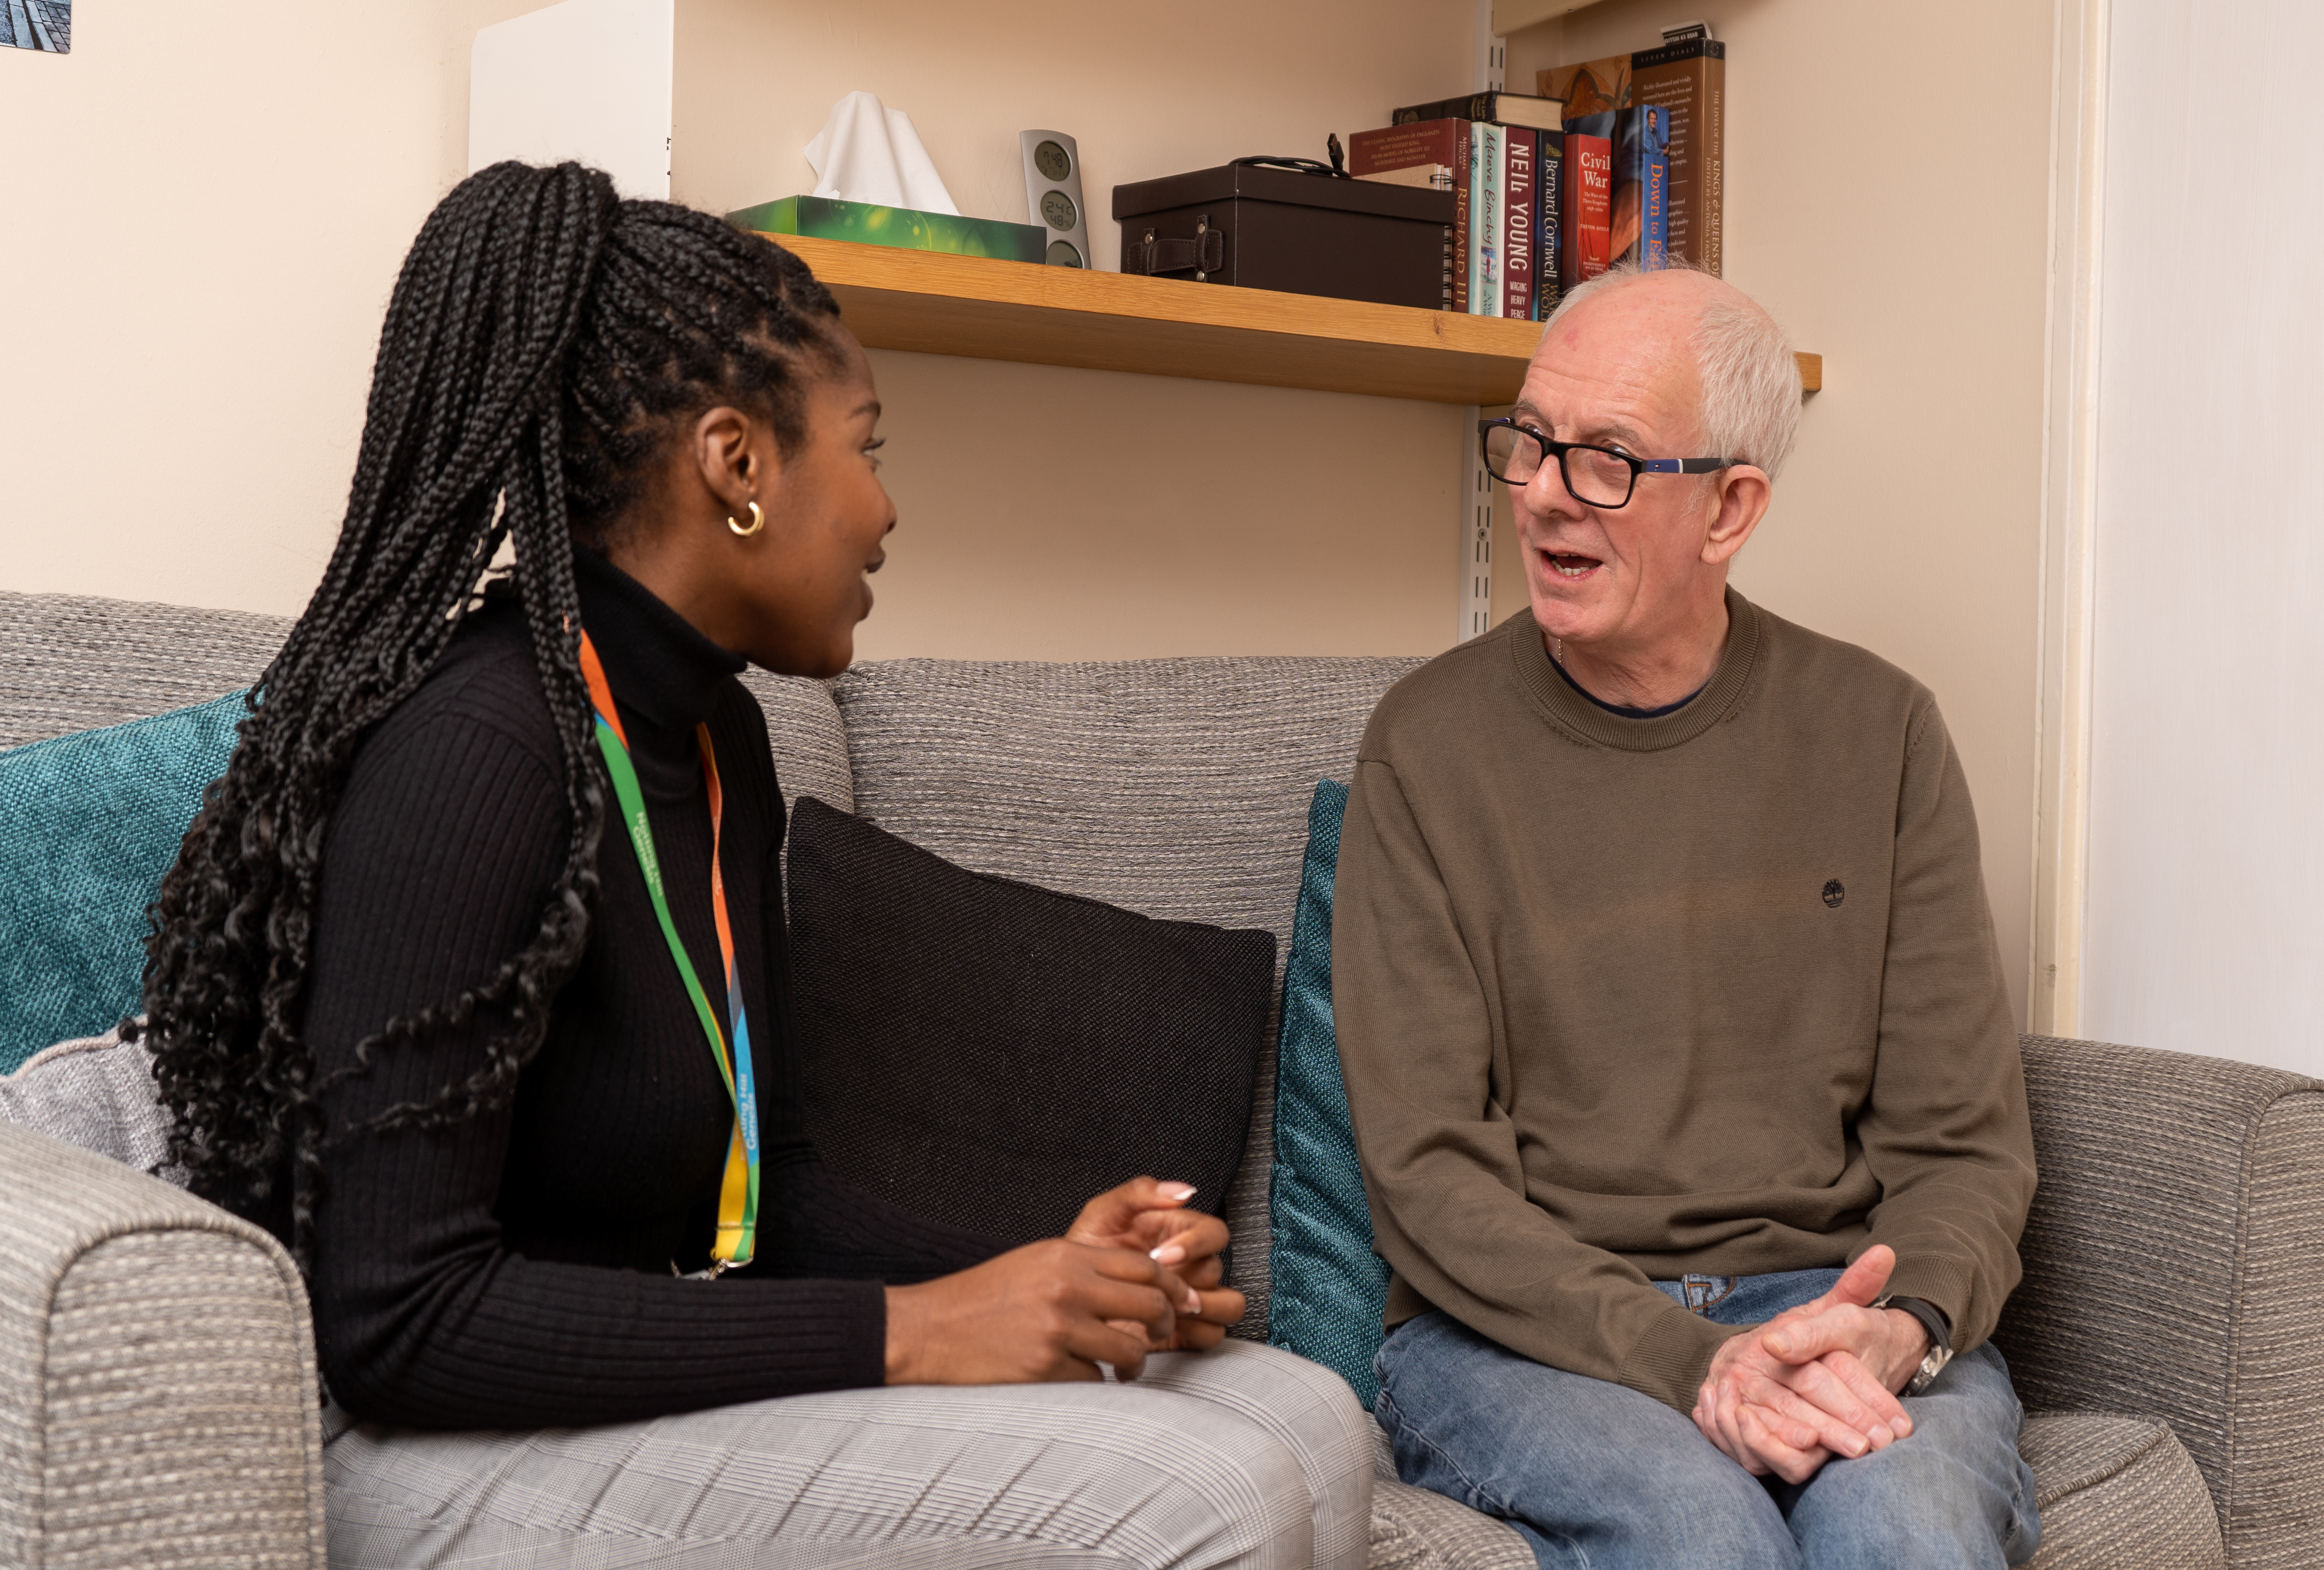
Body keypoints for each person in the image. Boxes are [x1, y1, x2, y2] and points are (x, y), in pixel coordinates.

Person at [134, 161, 1371, 1570]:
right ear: (736, 463)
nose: (886, 510)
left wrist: (1053, 1274)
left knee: (1300, 1413)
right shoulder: (478, 754)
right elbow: (395, 1319)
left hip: (628, 1393)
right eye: (868, 444)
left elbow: (743, 1200)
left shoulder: (717, 737)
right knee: (1197, 1493)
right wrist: (922, 1329)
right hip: (424, 1447)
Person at [1330, 260, 2042, 1570]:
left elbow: (1963, 1145)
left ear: (1731, 509)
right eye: (1528, 442)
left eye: (1605, 459)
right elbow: (1427, 1171)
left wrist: (1899, 1329)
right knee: (1699, 1536)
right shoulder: (1426, 749)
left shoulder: (1878, 732)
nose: (1544, 490)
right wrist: (1690, 1359)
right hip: (1526, 1338)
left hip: (1831, 1306)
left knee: (1908, 1536)